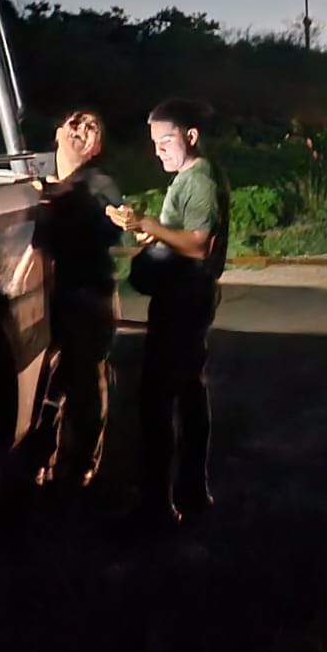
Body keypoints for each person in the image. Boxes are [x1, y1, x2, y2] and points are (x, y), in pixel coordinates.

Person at [107, 97, 229, 528]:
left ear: (191, 136)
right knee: (189, 395)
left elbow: (197, 244)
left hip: (184, 301)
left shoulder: (200, 181)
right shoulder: (189, 179)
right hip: (186, 298)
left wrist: (146, 224)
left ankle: (157, 504)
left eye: (167, 140)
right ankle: (193, 493)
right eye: (154, 143)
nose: (158, 150)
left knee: (157, 400)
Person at [34, 110, 123, 492]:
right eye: (74, 123)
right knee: (46, 386)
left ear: (96, 146)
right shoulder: (38, 175)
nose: (80, 130)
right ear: (56, 132)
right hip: (45, 297)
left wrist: (54, 194)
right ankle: (43, 463)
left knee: (85, 383)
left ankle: (82, 466)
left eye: (91, 128)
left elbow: (110, 221)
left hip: (89, 297)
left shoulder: (100, 184)